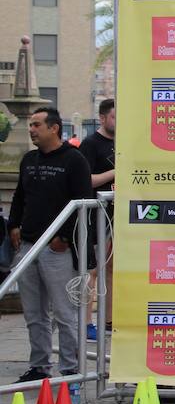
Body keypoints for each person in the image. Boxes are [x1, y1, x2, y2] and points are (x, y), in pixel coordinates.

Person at [8, 107, 92, 383]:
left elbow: (82, 202)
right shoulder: (29, 159)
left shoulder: (74, 160)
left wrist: (64, 237)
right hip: (28, 245)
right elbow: (20, 196)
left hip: (57, 249)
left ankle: (70, 369)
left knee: (65, 312)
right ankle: (39, 366)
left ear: (54, 128)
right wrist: (14, 225)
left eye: (36, 125)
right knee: (34, 313)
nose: (31, 129)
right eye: (31, 124)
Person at [79, 99, 115, 341]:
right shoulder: (90, 144)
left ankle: (110, 319)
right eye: (114, 117)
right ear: (102, 118)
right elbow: (86, 180)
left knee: (112, 267)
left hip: (118, 213)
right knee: (91, 269)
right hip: (95, 214)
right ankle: (87, 321)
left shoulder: (125, 143)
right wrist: (115, 172)